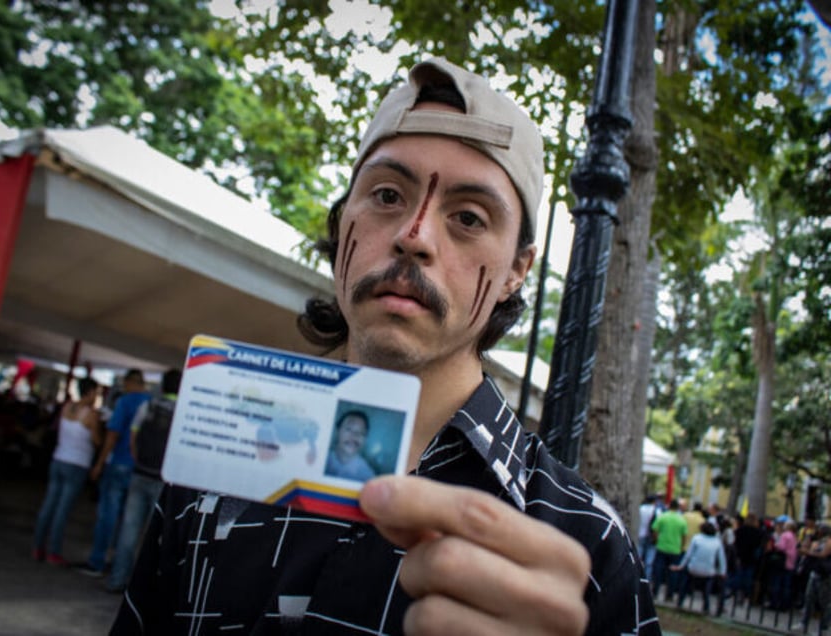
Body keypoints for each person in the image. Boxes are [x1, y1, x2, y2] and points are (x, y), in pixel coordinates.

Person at [111, 57, 660, 635]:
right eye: (387, 195)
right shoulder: (219, 456)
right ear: (342, 219)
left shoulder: (585, 544)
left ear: (516, 271)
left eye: (469, 217)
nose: (414, 235)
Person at [105, 368, 181, 593]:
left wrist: (138, 459)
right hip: (163, 480)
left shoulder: (147, 406)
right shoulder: (183, 411)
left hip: (140, 473)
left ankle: (117, 579)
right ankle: (142, 589)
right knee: (155, 537)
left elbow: (133, 437)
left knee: (129, 529)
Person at [77, 368, 150, 576]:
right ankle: (119, 566)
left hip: (118, 463)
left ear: (128, 382)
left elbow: (112, 435)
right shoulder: (151, 403)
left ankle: (97, 560)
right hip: (140, 469)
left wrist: (99, 463)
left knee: (107, 514)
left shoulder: (125, 402)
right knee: (130, 522)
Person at [32, 377, 101, 565]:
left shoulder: (66, 407)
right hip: (76, 464)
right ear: (89, 393)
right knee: (62, 510)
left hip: (59, 459)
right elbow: (96, 441)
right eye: (96, 392)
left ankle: (38, 547)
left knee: (48, 505)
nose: (97, 396)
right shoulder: (90, 415)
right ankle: (54, 551)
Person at [670, 521, 727, 613]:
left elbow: (688, 555)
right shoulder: (717, 542)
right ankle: (706, 607)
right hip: (708, 571)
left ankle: (680, 602)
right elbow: (721, 559)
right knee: (706, 589)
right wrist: (722, 572)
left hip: (693, 568)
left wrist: (681, 566)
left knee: (685, 583)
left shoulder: (696, 538)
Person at [651, 499, 688, 602]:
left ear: (669, 506)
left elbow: (655, 529)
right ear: (678, 508)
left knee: (658, 570)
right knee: (673, 573)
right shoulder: (681, 520)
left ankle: (655, 591)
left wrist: (656, 540)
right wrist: (682, 547)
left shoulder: (663, 517)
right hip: (675, 549)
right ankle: (669, 595)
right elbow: (684, 535)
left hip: (662, 547)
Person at [324, 410, 376, 482]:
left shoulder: (368, 477)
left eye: (361, 433)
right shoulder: (321, 459)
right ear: (337, 431)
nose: (354, 436)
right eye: (349, 429)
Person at [799, 524, 831, 631]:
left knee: (824, 602)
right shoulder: (817, 541)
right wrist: (809, 540)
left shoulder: (829, 541)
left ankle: (824, 628)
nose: (818, 532)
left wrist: (810, 552)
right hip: (815, 571)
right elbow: (803, 548)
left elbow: (823, 554)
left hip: (825, 575)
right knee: (809, 598)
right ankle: (804, 623)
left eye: (819, 530)